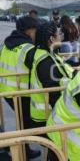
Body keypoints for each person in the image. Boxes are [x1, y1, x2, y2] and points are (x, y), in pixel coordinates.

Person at [0, 16, 41, 159]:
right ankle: (23, 150)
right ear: (29, 30)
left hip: (7, 92)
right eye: (36, 29)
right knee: (32, 123)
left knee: (23, 121)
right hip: (22, 93)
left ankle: (24, 149)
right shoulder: (27, 48)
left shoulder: (6, 45)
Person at [30, 22, 74, 124]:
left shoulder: (44, 53)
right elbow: (53, 93)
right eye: (59, 34)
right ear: (51, 39)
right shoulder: (46, 62)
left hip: (48, 114)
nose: (62, 37)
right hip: (47, 116)